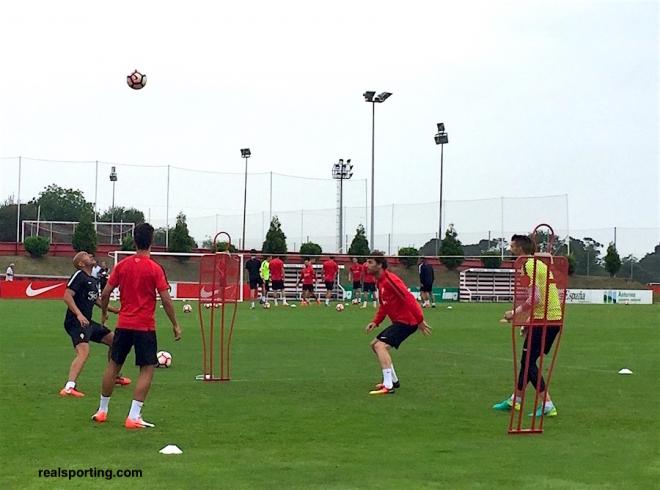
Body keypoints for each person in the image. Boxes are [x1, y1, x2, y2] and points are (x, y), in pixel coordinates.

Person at [94, 223, 182, 429]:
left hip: (123, 323)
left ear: (134, 241)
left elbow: (105, 293)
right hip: (144, 327)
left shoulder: (122, 266)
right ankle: (133, 416)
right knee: (147, 368)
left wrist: (105, 311)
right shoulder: (154, 268)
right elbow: (166, 300)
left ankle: (102, 411)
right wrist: (175, 324)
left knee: (113, 365)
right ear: (152, 242)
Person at [493, 234, 562, 417]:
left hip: (545, 320)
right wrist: (529, 322)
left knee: (528, 362)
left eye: (512, 246)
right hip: (550, 319)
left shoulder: (528, 265)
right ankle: (516, 400)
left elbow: (536, 298)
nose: (510, 249)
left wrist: (513, 313)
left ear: (520, 249)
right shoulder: (539, 264)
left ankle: (547, 404)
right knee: (527, 361)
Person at [60, 252, 129, 397]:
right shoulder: (79, 275)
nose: (90, 255)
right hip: (76, 322)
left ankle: (114, 377)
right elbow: (67, 296)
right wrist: (78, 314)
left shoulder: (92, 279)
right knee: (83, 352)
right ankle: (69, 387)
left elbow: (96, 300)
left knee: (115, 341)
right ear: (80, 263)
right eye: (85, 255)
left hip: (87, 322)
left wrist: (112, 310)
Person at [364, 253, 432, 395]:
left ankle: (388, 386)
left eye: (370, 262)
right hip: (400, 321)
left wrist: (420, 320)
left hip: (407, 321)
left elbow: (409, 299)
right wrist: (376, 321)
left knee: (380, 346)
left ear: (380, 265)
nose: (366, 265)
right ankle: (393, 380)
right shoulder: (380, 281)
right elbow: (384, 305)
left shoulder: (390, 280)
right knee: (374, 345)